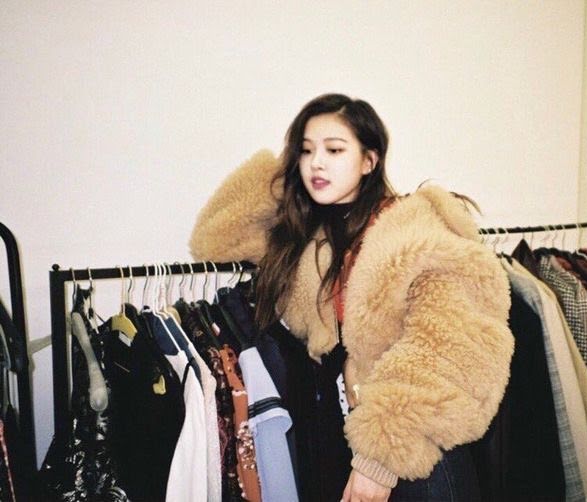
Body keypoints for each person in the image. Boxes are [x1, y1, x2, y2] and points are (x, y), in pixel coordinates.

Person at [189, 93, 514, 501]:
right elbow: (215, 237)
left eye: (334, 150)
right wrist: (288, 174)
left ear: (369, 161)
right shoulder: (313, 240)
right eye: (306, 151)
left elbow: (445, 350)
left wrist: (379, 461)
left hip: (415, 457)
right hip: (350, 446)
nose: (316, 163)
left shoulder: (416, 236)